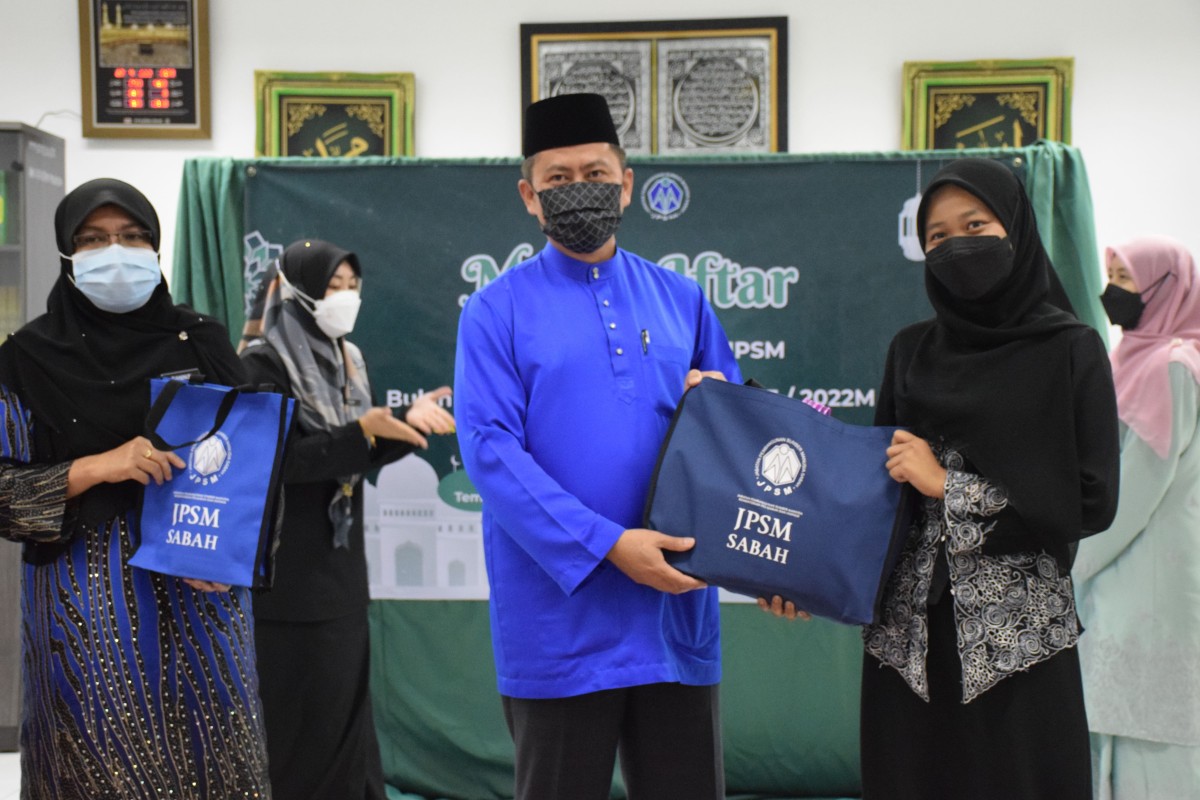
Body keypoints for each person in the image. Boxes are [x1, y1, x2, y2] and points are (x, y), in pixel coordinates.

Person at [453, 93, 741, 800]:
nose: (577, 188)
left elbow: (736, 431)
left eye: (594, 172)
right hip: (558, 623)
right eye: (557, 178)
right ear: (529, 196)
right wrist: (607, 544)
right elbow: (490, 452)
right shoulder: (495, 310)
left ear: (626, 183)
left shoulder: (681, 299)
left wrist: (724, 405)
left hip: (673, 612)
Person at [0, 178, 271, 798]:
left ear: (156, 247)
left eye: (131, 236)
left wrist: (232, 554)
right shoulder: (25, 358)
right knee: (97, 766)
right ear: (67, 253)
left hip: (200, 596)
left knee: (213, 763)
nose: (115, 252)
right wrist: (99, 466)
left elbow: (252, 458)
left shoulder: (200, 339)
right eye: (93, 240)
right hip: (84, 612)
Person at [859, 158, 1120, 799]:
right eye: (938, 236)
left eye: (975, 225)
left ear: (1016, 228)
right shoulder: (910, 350)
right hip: (908, 647)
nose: (957, 245)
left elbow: (1093, 500)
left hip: (1019, 643)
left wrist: (947, 486)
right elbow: (876, 494)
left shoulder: (1071, 348)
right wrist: (805, 578)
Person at [240, 238, 454, 800]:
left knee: (345, 723)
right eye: (332, 286)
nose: (346, 297)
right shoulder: (262, 363)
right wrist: (361, 433)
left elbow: (356, 452)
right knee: (297, 729)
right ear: (297, 290)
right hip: (286, 583)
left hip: (340, 574)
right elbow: (275, 463)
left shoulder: (347, 360)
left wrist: (408, 424)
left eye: (352, 286)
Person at [1073, 236, 1200, 799]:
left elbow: (1138, 489)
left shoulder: (1171, 366)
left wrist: (1074, 561)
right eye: (1114, 277)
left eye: (1128, 279)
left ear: (1166, 288)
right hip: (1125, 569)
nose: (1113, 292)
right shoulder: (1135, 359)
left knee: (1151, 729)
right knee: (1118, 719)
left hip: (1147, 572)